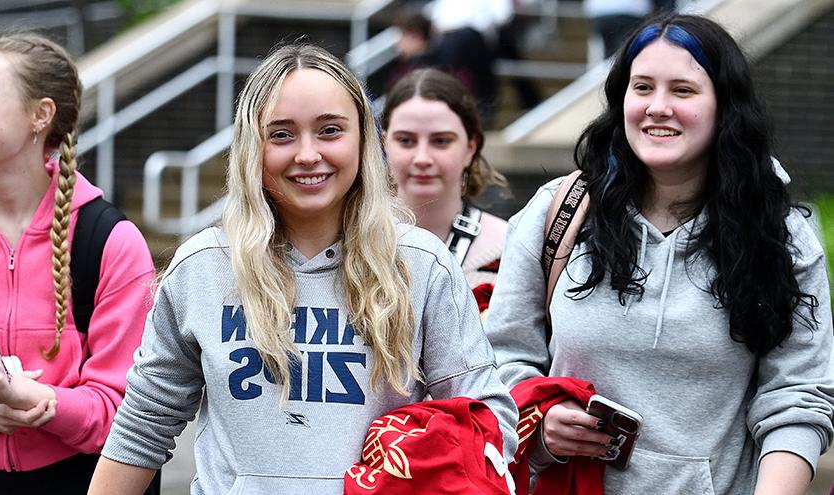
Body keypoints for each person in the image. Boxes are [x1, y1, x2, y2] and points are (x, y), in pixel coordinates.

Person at [87, 44, 518, 495]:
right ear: (251, 148)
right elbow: (143, 425)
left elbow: (488, 420)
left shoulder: (421, 264)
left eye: (330, 130)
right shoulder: (203, 266)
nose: (308, 154)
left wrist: (417, 467)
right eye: (281, 134)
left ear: (364, 141)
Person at [484, 14, 834, 494]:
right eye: (642, 87)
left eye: (683, 91)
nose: (658, 107)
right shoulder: (558, 214)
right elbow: (499, 361)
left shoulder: (782, 236)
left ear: (724, 106)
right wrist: (542, 430)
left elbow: (795, 397)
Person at [0, 33, 155, 494]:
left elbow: (131, 415)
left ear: (41, 114)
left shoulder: (110, 241)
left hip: (85, 481)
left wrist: (33, 399)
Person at [381, 68, 509, 310]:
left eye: (441, 141)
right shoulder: (347, 240)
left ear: (470, 148)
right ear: (385, 143)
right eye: (405, 140)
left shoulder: (511, 249)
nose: (422, 158)